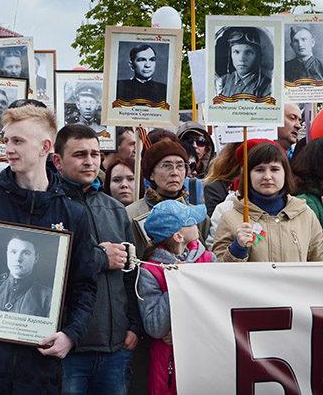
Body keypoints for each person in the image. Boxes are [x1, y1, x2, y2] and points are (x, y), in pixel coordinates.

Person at [0, 104, 97, 393]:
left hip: (39, 363)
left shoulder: (72, 214)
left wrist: (71, 335)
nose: (8, 149)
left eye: (18, 141)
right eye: (7, 140)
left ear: (45, 147)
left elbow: (84, 286)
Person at [52, 124, 142, 395]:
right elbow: (49, 265)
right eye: (80, 154)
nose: (89, 161)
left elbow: (131, 273)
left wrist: (133, 325)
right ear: (57, 161)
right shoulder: (49, 205)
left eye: (95, 154)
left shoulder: (114, 209)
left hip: (115, 347)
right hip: (69, 348)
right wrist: (101, 258)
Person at [137, 200, 213, 395]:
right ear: (179, 236)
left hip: (206, 353)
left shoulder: (207, 259)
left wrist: (182, 331)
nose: (197, 224)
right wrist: (177, 281)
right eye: (191, 222)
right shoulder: (149, 271)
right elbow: (155, 327)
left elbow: (217, 307)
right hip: (168, 361)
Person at [212, 140, 323, 263]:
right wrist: (237, 249)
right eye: (259, 170)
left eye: (274, 169)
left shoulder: (305, 215)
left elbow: (320, 262)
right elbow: (219, 269)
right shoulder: (230, 218)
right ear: (248, 175)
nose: (267, 176)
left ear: (285, 173)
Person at [126, 140, 190, 257]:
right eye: (167, 166)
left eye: (180, 166)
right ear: (151, 174)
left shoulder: (196, 216)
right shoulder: (130, 214)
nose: (174, 172)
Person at [0, 234, 52, 316]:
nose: (18, 259)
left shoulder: (47, 296)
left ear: (36, 258)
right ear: (7, 254)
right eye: (13, 252)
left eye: (26, 253)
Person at [215, 28, 272, 98]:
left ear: (258, 55)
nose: (241, 59)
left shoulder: (267, 86)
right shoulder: (222, 82)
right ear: (230, 54)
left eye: (248, 52)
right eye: (236, 52)